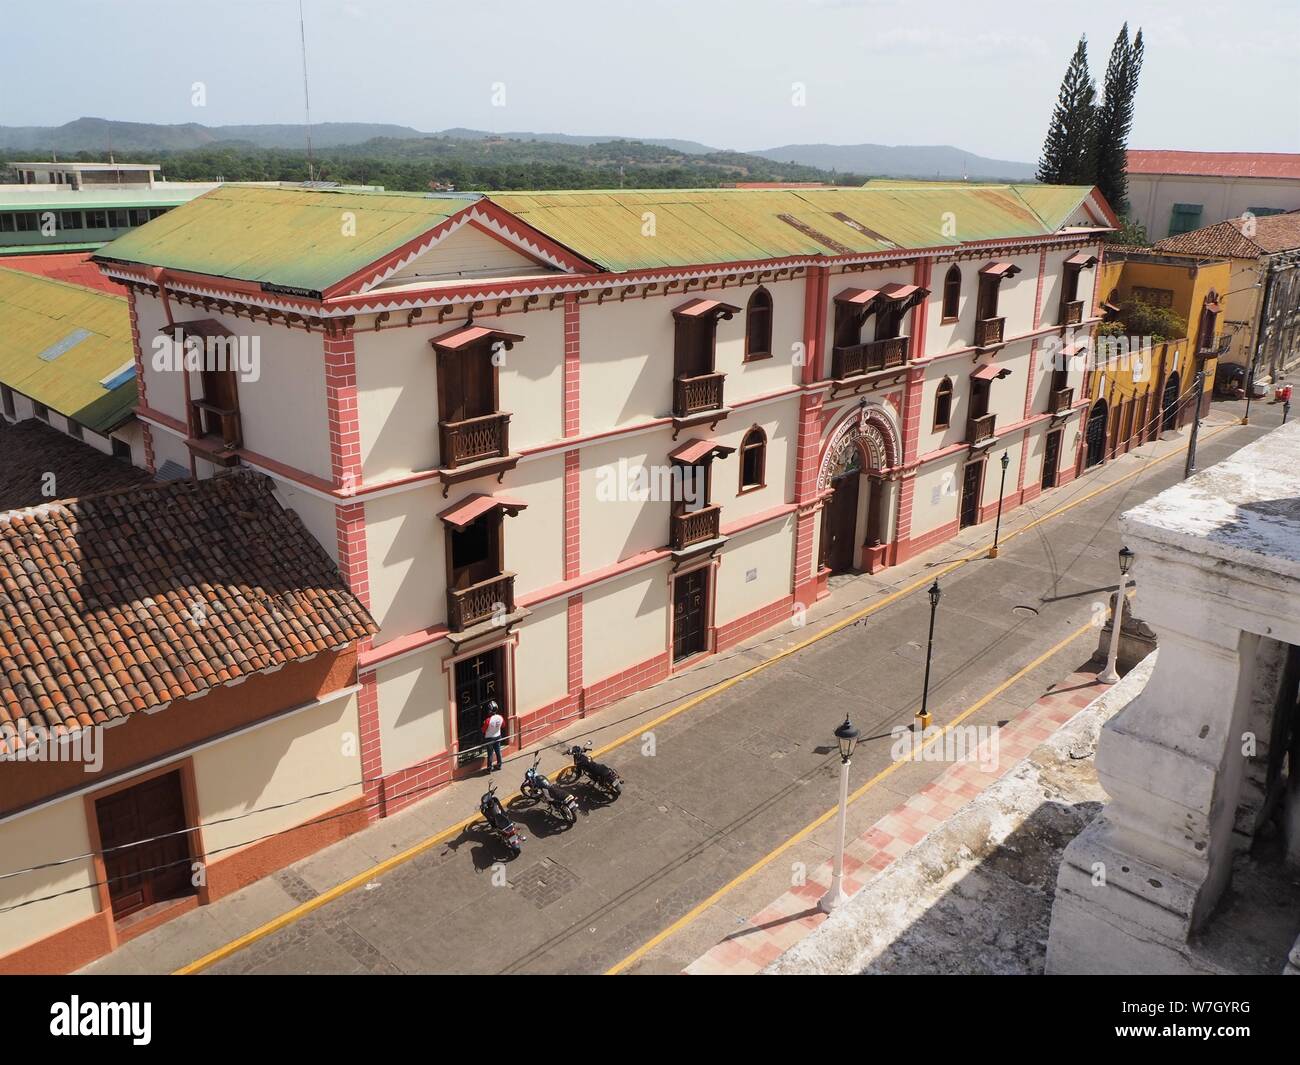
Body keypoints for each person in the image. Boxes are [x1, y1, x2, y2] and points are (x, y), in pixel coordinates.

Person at [482, 701, 505, 772]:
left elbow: (483, 730)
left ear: (489, 710)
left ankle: (489, 768)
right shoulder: (500, 717)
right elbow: (503, 725)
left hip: (489, 738)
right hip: (498, 736)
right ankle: (499, 764)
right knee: (498, 751)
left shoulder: (488, 720)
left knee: (490, 753)